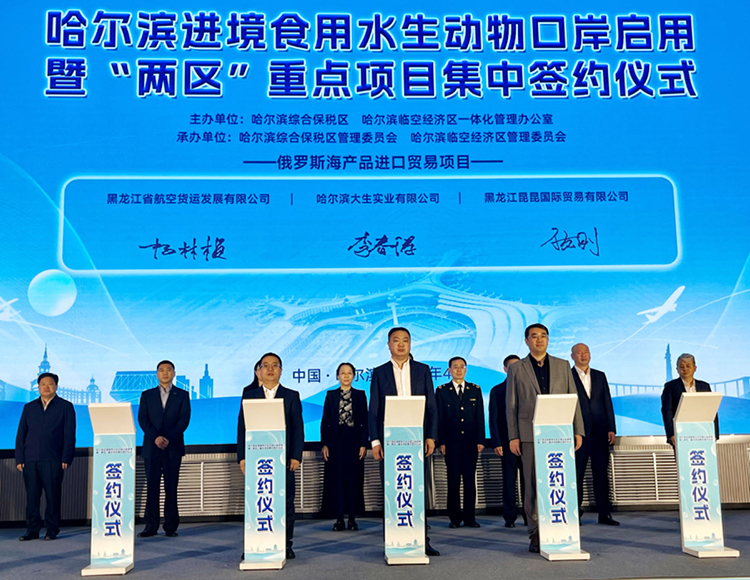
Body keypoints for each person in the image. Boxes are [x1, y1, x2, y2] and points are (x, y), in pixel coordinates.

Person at [506, 323, 584, 553]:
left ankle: (559, 527)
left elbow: (573, 398)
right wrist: (513, 436)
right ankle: (535, 532)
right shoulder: (517, 368)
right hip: (529, 434)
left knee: (559, 481)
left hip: (559, 433)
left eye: (543, 336)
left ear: (548, 339)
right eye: (534, 336)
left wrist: (578, 429)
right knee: (532, 484)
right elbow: (511, 405)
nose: (539, 340)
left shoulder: (562, 365)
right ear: (526, 341)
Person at [368, 327, 440, 556]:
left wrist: (431, 436)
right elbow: (374, 410)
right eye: (396, 340)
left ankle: (422, 540)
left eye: (405, 340)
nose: (401, 344)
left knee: (417, 490)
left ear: (410, 344)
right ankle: (393, 539)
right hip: (390, 441)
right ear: (388, 345)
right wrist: (375, 442)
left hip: (417, 439)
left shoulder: (422, 370)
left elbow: (431, 407)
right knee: (393, 490)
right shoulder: (379, 372)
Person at [238, 353, 304, 559]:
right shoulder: (249, 395)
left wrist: (296, 456)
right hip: (257, 460)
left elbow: (298, 428)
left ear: (281, 370)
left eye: (274, 365)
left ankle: (286, 544)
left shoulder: (291, 395)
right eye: (265, 365)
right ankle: (255, 544)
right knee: (257, 501)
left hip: (284, 461)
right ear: (259, 370)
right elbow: (242, 427)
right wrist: (242, 457)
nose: (270, 369)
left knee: (286, 503)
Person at [15, 372, 76, 541]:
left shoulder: (65, 406)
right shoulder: (29, 407)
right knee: (32, 496)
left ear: (56, 386)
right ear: (38, 387)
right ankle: (32, 530)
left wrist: (66, 457)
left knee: (52, 495)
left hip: (53, 458)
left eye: (50, 384)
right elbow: (21, 434)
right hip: (30, 458)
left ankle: (51, 529)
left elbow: (69, 434)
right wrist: (19, 458)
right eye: (43, 384)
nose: (46, 387)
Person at [137, 360, 191, 538]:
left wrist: (167, 438)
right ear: (157, 374)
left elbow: (184, 420)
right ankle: (151, 526)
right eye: (161, 370)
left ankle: (170, 526)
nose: (165, 373)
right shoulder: (147, 395)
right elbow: (142, 419)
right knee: (152, 487)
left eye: (169, 370)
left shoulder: (182, 395)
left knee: (171, 487)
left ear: (174, 374)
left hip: (172, 447)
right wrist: (156, 437)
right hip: (151, 447)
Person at [570, 343, 619, 526]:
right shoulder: (567, 375)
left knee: (601, 475)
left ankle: (604, 514)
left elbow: (607, 402)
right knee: (577, 475)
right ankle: (575, 514)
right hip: (578, 433)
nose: (583, 355)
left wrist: (611, 427)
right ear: (572, 356)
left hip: (600, 431)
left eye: (586, 352)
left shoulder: (600, 375)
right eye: (579, 353)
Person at [436, 356, 485, 528]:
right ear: (449, 370)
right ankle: (455, 518)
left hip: (471, 443)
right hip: (451, 443)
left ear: (466, 369)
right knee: (453, 481)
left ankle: (470, 518)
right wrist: (441, 442)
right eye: (455, 367)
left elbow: (480, 417)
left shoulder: (475, 389)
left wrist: (481, 440)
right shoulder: (442, 391)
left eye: (462, 366)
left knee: (470, 481)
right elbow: (439, 418)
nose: (458, 370)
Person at [321, 362, 368, 531]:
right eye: (343, 373)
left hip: (354, 443)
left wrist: (363, 444)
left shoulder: (360, 395)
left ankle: (353, 519)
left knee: (353, 481)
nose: (346, 376)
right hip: (335, 443)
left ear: (354, 375)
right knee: (337, 481)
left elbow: (365, 421)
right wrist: (324, 444)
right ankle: (339, 519)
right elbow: (325, 421)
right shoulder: (331, 395)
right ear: (337, 376)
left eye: (349, 373)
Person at [489, 354, 525, 528]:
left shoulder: (528, 388)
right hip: (506, 443)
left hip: (527, 443)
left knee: (528, 482)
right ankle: (509, 517)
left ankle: (529, 516)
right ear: (505, 369)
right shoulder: (497, 390)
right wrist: (496, 442)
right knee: (509, 481)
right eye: (511, 367)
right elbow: (493, 419)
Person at [661, 353, 719, 447]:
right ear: (677, 369)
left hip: (704, 433)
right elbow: (667, 412)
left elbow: (712, 411)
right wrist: (671, 434)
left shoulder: (704, 386)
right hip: (681, 434)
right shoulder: (670, 387)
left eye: (688, 366)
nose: (685, 369)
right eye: (682, 366)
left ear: (695, 368)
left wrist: (715, 434)